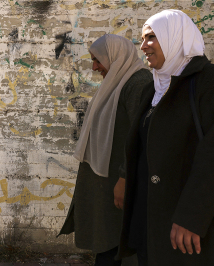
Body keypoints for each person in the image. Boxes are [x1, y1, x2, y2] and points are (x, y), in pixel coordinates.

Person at [117, 9, 214, 265]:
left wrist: (192, 216)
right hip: (151, 217)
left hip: (186, 224)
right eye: (142, 39)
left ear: (174, 37)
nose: (143, 46)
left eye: (151, 37)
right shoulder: (153, 87)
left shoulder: (206, 82)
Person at [58, 34, 152, 266]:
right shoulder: (117, 82)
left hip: (118, 183)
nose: (94, 67)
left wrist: (124, 178)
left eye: (98, 60)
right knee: (109, 243)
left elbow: (140, 136)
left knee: (116, 244)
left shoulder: (138, 83)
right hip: (107, 182)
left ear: (114, 57)